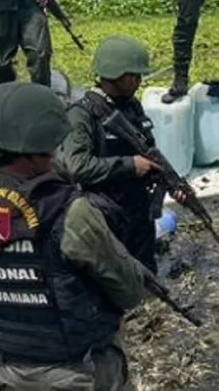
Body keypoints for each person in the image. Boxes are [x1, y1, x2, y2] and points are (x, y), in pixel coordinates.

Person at [0, 81, 150, 390]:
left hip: (13, 372)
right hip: (82, 373)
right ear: (36, 149)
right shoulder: (69, 213)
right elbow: (130, 292)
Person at [53, 35, 166, 273]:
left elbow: (147, 150)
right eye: (133, 76)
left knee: (147, 276)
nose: (139, 81)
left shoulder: (132, 106)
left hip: (138, 209)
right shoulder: (82, 114)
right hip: (105, 212)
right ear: (116, 74)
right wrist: (129, 165)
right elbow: (77, 167)